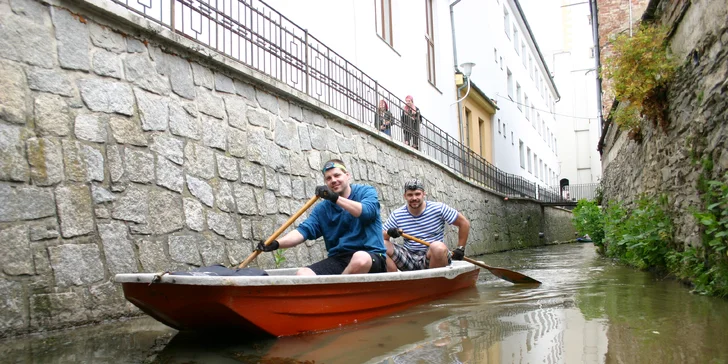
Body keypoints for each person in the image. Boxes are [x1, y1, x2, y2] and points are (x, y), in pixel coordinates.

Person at [256, 159, 387, 275]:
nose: (333, 180)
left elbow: (367, 212)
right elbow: (304, 231)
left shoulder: (366, 192)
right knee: (303, 274)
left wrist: (335, 198)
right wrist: (277, 244)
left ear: (347, 176)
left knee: (360, 259)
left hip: (371, 257)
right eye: (328, 178)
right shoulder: (322, 209)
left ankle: (335, 295)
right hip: (339, 259)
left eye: (337, 175)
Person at [382, 179, 470, 272]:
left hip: (434, 256)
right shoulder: (398, 214)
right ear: (405, 196)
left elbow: (464, 223)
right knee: (381, 245)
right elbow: (381, 236)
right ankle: (396, 281)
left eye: (417, 194)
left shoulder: (439, 208)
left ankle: (435, 283)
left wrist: (460, 248)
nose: (414, 198)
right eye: (410, 195)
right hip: (409, 259)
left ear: (424, 194)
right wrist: (390, 233)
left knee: (438, 247)